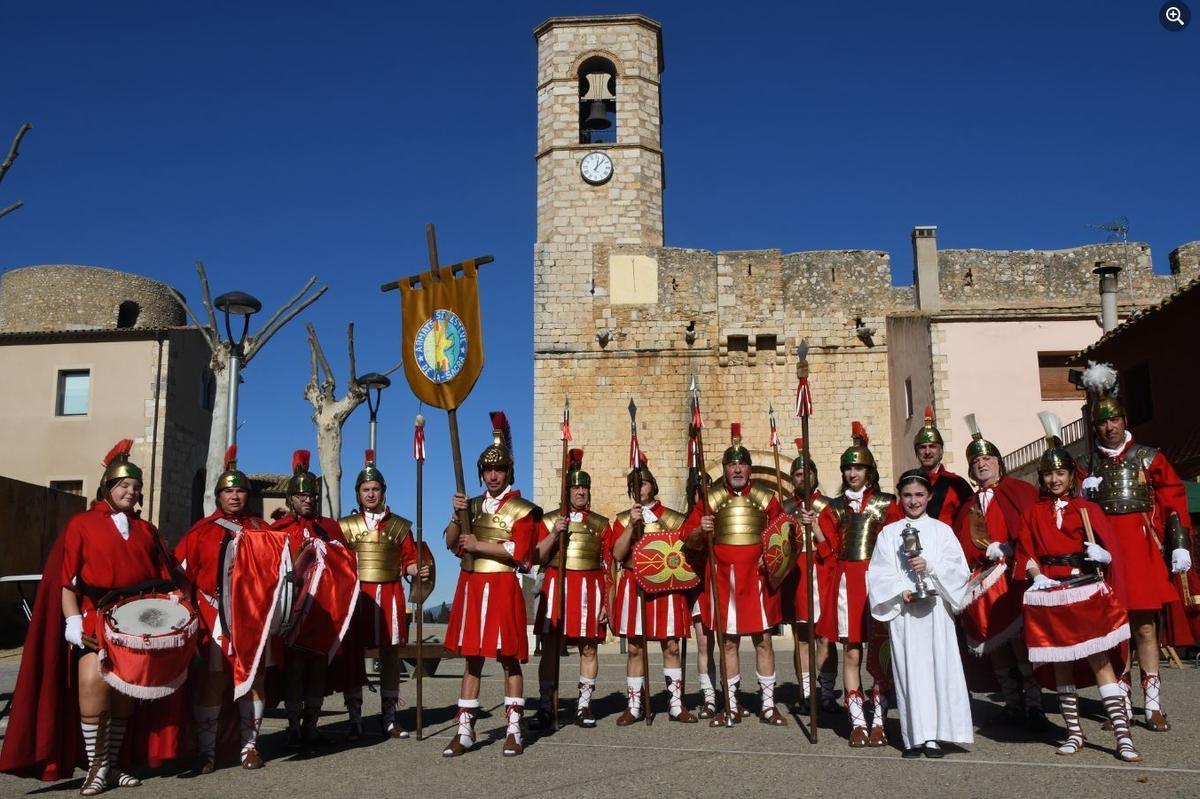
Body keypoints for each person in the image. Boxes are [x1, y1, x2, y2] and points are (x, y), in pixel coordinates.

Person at [0, 440, 185, 793]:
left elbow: (166, 574)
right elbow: (67, 581)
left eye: (135, 487)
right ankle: (96, 767)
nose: (130, 492)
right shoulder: (81, 525)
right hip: (94, 615)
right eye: (123, 486)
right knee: (92, 685)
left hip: (136, 619)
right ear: (107, 488)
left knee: (123, 693)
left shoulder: (147, 531)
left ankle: (114, 766)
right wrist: (71, 622)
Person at [1014, 412, 1137, 762]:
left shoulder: (1087, 509)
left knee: (1100, 659)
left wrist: (1104, 555)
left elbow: (1110, 549)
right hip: (1051, 592)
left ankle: (1122, 736)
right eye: (1048, 474)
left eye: (1060, 473)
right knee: (1062, 663)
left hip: (1084, 587)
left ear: (1071, 477)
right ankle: (1073, 733)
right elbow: (1026, 552)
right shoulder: (1032, 514)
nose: (1054, 479)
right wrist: (1036, 574)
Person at [1079, 362, 1195, 731]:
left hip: (1141, 547)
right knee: (1114, 631)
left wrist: (1179, 545)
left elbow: (1174, 500)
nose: (1109, 428)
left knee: (1145, 627)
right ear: (1094, 426)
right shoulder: (1085, 464)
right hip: (1106, 551)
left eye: (1114, 421)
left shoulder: (1149, 456)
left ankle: (1154, 704)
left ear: (1124, 420)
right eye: (1101, 423)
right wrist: (1084, 495)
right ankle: (1121, 704)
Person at [443, 412, 542, 757]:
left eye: (499, 470)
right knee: (472, 660)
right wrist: (456, 517)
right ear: (482, 474)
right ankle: (465, 730)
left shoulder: (522, 509)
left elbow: (521, 551)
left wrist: (479, 546)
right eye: (488, 470)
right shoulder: (469, 505)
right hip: (472, 585)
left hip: (502, 585)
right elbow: (450, 542)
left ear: (508, 473)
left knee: (509, 659)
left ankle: (514, 728)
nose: (493, 475)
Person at [173, 446, 272, 771]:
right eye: (228, 490)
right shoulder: (201, 532)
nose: (235, 496)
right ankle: (207, 751)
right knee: (213, 681)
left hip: (252, 617)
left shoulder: (262, 531)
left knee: (253, 680)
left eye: (240, 490)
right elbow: (181, 575)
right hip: (211, 614)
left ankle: (249, 748)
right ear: (219, 495)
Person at [683, 423, 787, 727]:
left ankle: (768, 705)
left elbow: (783, 535)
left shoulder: (766, 499)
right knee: (728, 642)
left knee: (763, 640)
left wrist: (772, 562)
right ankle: (731, 703)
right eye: (732, 464)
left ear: (749, 468)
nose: (737, 469)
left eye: (742, 464)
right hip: (723, 578)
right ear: (725, 469)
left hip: (755, 580)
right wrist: (700, 532)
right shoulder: (711, 500)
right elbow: (688, 540)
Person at [869, 469, 973, 758]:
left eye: (918, 495)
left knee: (938, 669)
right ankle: (914, 736)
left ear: (928, 497)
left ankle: (936, 736)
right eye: (907, 495)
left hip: (937, 610)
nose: (913, 501)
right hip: (906, 614)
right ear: (899, 498)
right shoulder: (889, 533)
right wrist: (900, 589)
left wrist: (931, 567)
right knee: (909, 672)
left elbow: (958, 569)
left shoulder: (942, 531)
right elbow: (879, 572)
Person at [951, 415, 1044, 728]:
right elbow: (961, 545)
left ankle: (1034, 705)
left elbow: (1033, 531)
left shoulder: (1019, 491)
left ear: (999, 462)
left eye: (987, 458)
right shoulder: (968, 504)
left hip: (1012, 577)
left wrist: (1009, 548)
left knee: (1019, 641)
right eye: (976, 461)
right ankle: (1012, 703)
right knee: (995, 645)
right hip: (981, 582)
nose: (982, 464)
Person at [815, 422, 902, 747]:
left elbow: (894, 545)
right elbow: (829, 553)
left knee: (879, 656)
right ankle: (857, 723)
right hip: (845, 585)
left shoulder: (886, 503)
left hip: (875, 582)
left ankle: (879, 720)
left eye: (859, 468)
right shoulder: (833, 508)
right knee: (851, 654)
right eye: (848, 468)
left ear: (869, 471)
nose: (853, 473)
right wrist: (818, 531)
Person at [269, 450, 358, 747]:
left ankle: (311, 724)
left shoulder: (330, 528)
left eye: (311, 495)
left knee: (318, 666)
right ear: (290, 498)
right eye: (301, 495)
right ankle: (293, 725)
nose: (307, 499)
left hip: (323, 613)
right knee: (293, 668)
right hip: (291, 612)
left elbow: (346, 565)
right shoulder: (278, 531)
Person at [339, 448, 429, 740]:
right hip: (358, 596)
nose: (371, 494)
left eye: (376, 488)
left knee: (391, 656)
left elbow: (409, 559)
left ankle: (389, 718)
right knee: (354, 656)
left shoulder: (399, 526)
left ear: (384, 492)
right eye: (366, 489)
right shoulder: (345, 527)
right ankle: (355, 718)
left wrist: (416, 569)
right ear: (358, 493)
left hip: (390, 593)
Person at [607, 452, 695, 724]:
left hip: (667, 588)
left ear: (652, 486)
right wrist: (631, 525)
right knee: (635, 648)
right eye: (633, 485)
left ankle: (676, 704)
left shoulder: (674, 518)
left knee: (671, 646)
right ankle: (634, 705)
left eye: (642, 483)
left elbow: (685, 555)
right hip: (634, 585)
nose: (638, 488)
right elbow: (618, 555)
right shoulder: (623, 519)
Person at [529, 449, 609, 729]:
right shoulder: (550, 520)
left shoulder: (601, 524)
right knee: (550, 647)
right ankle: (546, 705)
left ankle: (583, 705)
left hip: (590, 588)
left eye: (584, 487)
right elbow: (537, 557)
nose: (581, 492)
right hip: (557, 586)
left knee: (589, 648)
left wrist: (606, 602)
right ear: (567, 491)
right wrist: (554, 533)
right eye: (576, 487)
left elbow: (608, 564)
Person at [779, 438, 838, 712]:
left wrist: (814, 527)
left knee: (825, 637)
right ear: (792, 479)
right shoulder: (786, 508)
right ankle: (805, 692)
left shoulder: (828, 506)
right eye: (798, 474)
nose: (803, 478)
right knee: (801, 636)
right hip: (798, 577)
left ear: (815, 476)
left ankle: (826, 693)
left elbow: (834, 546)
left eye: (807, 473)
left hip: (823, 575)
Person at [913, 406, 973, 524]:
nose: (927, 452)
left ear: (941, 451)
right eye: (922, 447)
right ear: (916, 452)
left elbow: (968, 523)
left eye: (933, 446)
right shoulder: (910, 482)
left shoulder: (957, 484)